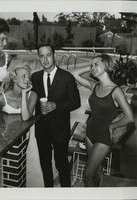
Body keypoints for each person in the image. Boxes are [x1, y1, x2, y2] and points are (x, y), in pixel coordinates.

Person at [71, 54, 135, 187]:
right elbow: (74, 74)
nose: (92, 67)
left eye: (96, 64)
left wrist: (112, 126)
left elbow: (129, 117)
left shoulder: (116, 91)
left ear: (106, 66)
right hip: (90, 133)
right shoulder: (95, 86)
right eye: (91, 65)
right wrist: (92, 63)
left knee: (87, 174)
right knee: (97, 170)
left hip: (104, 137)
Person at [31, 44, 81, 187]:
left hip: (60, 130)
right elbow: (31, 100)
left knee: (62, 165)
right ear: (38, 58)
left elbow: (75, 102)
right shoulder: (35, 77)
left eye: (48, 55)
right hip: (41, 130)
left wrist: (56, 106)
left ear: (54, 55)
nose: (45, 59)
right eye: (41, 56)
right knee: (45, 165)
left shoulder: (67, 78)